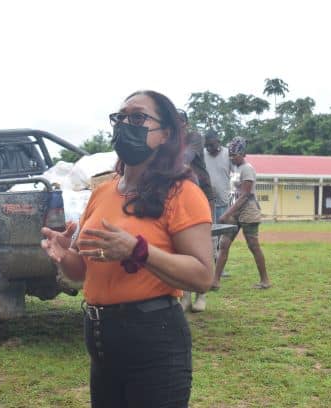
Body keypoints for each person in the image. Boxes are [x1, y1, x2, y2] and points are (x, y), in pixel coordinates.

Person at [41, 90, 214, 407]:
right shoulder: (102, 192)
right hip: (101, 341)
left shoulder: (182, 193)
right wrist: (65, 255)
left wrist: (138, 250)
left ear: (165, 134)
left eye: (138, 117)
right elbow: (81, 271)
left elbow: (203, 275)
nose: (125, 124)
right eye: (120, 117)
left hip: (155, 342)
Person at [215, 136, 271, 290]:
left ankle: (265, 280)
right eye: (230, 155)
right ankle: (215, 281)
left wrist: (226, 214)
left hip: (248, 212)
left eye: (235, 155)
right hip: (234, 211)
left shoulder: (247, 169)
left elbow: (245, 196)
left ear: (243, 153)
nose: (232, 157)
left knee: (253, 245)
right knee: (224, 244)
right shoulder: (235, 168)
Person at [179, 110, 216, 312]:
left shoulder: (194, 138)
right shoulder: (169, 141)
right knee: (182, 244)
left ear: (185, 123)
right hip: (182, 193)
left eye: (179, 122)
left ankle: (201, 295)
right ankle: (185, 296)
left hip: (201, 193)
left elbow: (186, 158)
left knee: (202, 243)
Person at [203, 130, 233, 291]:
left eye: (212, 145)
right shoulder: (201, 154)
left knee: (222, 238)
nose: (209, 148)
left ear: (218, 142)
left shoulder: (228, 154)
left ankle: (220, 268)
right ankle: (209, 266)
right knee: (208, 236)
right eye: (207, 146)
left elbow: (238, 170)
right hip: (206, 202)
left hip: (223, 201)